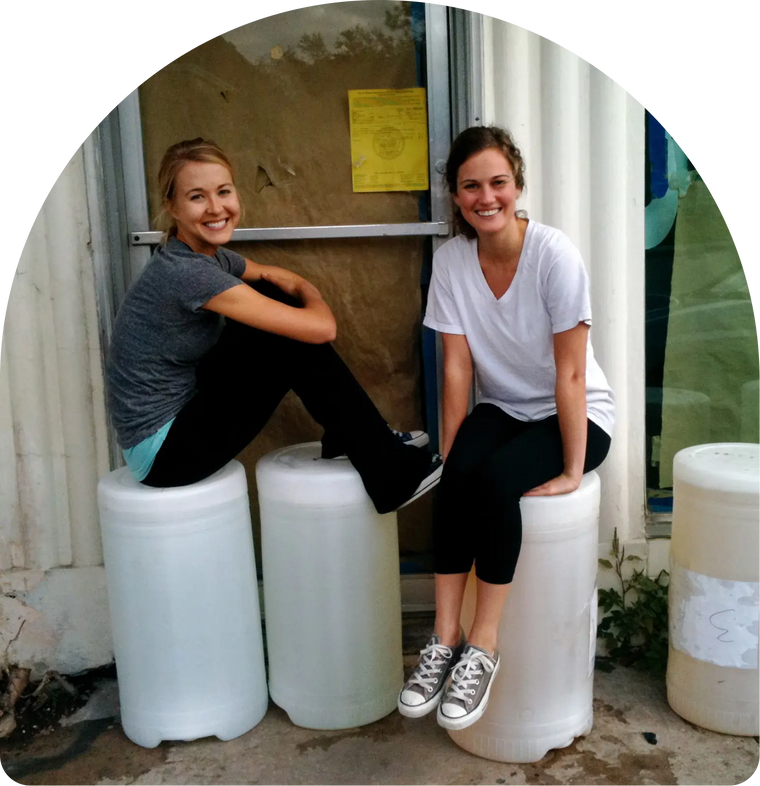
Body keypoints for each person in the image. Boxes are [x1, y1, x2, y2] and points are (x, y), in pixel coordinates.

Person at [397, 126, 614, 730]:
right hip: (506, 408)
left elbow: (571, 373)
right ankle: (443, 639)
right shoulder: (451, 262)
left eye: (497, 183)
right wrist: (448, 454)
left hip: (578, 414)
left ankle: (483, 647)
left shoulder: (553, 254)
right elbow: (457, 368)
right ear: (455, 196)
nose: (485, 196)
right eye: (471, 186)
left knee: (495, 481)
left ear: (517, 186)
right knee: (460, 471)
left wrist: (572, 468)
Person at [106, 138, 442, 514]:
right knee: (285, 336)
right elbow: (322, 329)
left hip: (180, 419)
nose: (216, 208)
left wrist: (300, 290)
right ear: (172, 206)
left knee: (272, 303)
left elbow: (271, 276)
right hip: (165, 454)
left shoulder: (202, 257)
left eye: (223, 191)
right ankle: (387, 470)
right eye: (197, 197)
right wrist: (310, 294)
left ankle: (355, 435)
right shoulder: (189, 274)